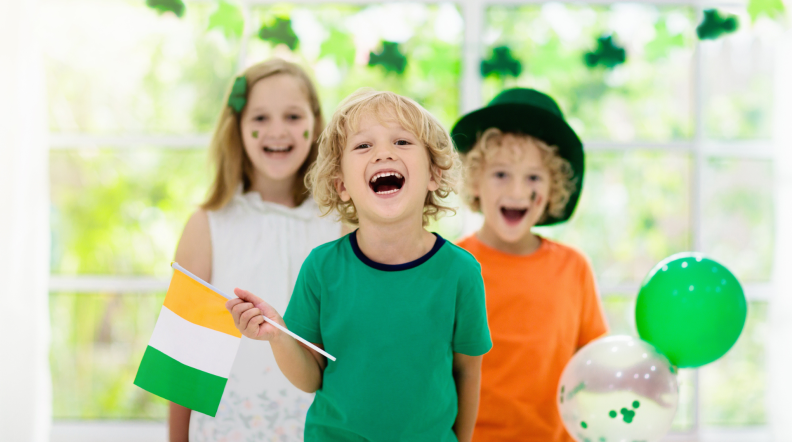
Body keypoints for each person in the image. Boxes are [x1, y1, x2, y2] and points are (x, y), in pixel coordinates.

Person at [226, 89, 492, 442]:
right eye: (363, 146)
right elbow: (310, 378)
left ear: (434, 175)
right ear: (342, 186)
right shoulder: (322, 268)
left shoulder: (461, 272)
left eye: (401, 141)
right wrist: (277, 334)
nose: (384, 152)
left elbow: (468, 373)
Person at [170, 58, 342, 442]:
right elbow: (182, 356)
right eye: (260, 118)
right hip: (227, 428)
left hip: (320, 428)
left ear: (315, 122)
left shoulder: (342, 224)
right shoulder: (207, 225)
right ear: (239, 127)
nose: (277, 131)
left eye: (293, 116)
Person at [451, 88, 609, 442]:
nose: (518, 192)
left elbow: (596, 364)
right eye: (501, 174)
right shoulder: (450, 267)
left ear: (554, 188)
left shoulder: (573, 268)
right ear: (475, 180)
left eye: (534, 177)